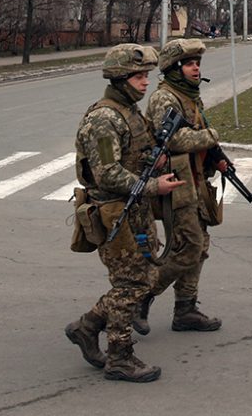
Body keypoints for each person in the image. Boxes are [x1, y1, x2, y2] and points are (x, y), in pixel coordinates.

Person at [65, 44, 184, 382]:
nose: (145, 82)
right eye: (137, 76)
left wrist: (154, 161)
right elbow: (107, 173)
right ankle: (120, 357)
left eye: (146, 75)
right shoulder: (104, 119)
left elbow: (134, 156)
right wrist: (152, 186)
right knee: (129, 284)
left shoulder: (130, 111)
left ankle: (87, 327)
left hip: (135, 209)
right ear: (119, 79)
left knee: (143, 279)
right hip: (115, 212)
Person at [133, 39, 227, 337]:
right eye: (189, 63)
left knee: (200, 247)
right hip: (175, 184)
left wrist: (217, 156)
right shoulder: (165, 98)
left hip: (195, 180)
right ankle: (141, 297)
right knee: (189, 248)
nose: (196, 68)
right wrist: (211, 136)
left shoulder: (189, 96)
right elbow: (173, 140)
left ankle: (185, 309)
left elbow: (193, 132)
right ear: (175, 68)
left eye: (197, 63)